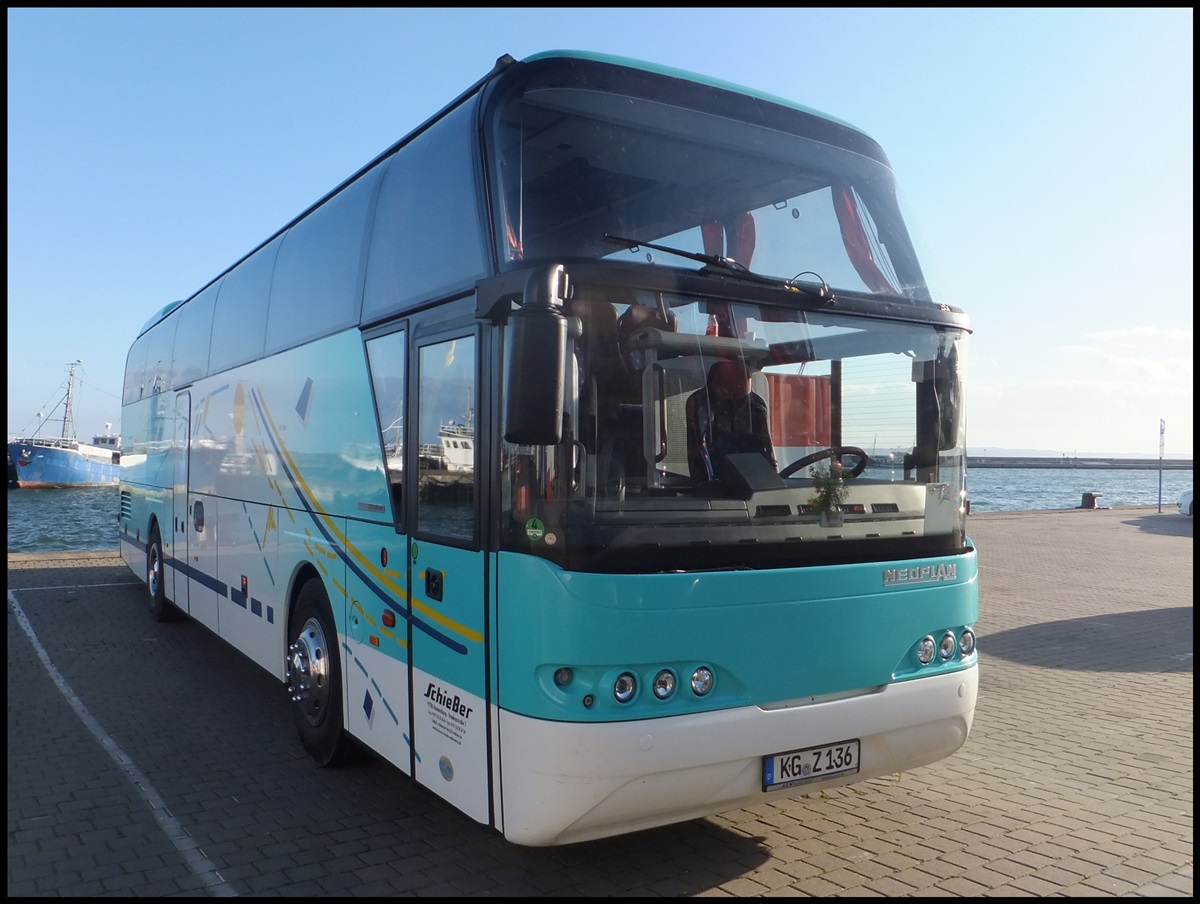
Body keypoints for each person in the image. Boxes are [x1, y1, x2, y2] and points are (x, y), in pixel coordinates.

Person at [686, 358, 775, 484]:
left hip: (757, 485)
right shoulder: (701, 404)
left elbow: (768, 452)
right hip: (715, 489)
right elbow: (699, 458)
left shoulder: (756, 407)